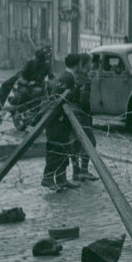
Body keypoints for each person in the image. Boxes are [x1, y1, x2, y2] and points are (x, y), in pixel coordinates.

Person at [41, 56, 80, 192]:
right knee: (56, 148)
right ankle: (48, 178)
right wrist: (60, 117)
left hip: (62, 120)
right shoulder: (67, 78)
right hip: (58, 120)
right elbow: (57, 100)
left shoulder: (66, 76)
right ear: (78, 65)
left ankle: (61, 178)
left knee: (64, 148)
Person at [70, 53, 99, 181]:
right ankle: (84, 170)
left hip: (71, 113)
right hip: (83, 114)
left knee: (74, 142)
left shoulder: (73, 77)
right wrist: (88, 112)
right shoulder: (85, 80)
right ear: (85, 64)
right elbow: (84, 101)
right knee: (89, 141)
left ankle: (76, 171)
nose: (92, 66)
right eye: (90, 63)